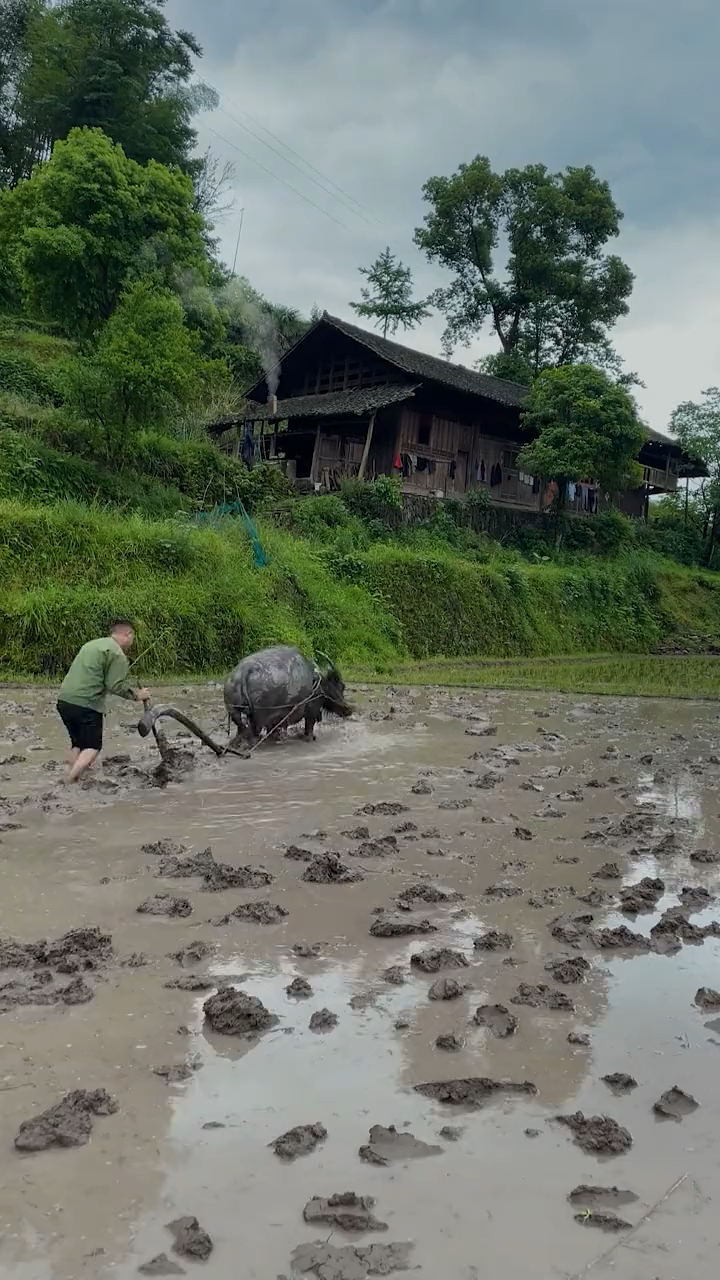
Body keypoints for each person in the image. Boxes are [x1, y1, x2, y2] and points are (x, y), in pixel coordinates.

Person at [56, 619, 150, 782]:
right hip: (86, 704)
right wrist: (137, 695)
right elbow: (115, 685)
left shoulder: (92, 645)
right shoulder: (117, 654)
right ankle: (68, 781)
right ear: (128, 634)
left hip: (64, 701)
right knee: (93, 747)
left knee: (78, 744)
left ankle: (73, 774)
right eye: (132, 636)